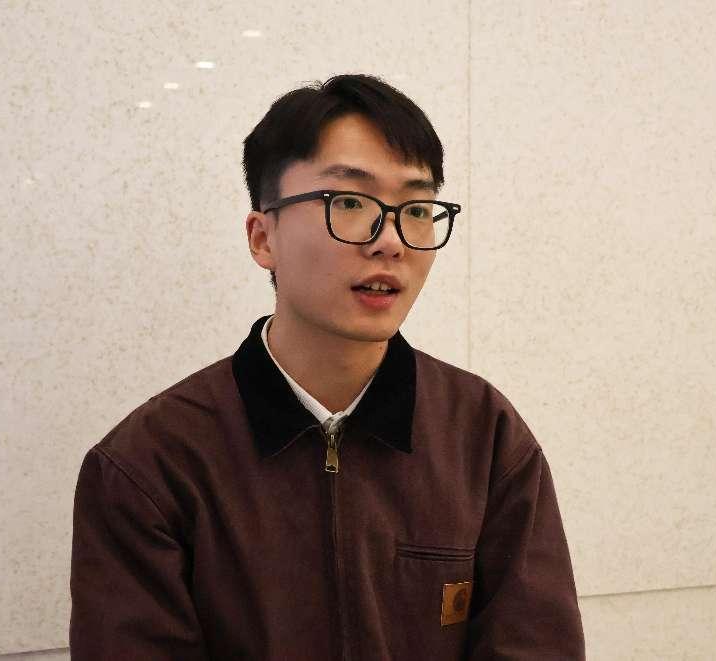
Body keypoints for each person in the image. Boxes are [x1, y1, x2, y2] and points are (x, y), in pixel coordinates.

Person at [69, 73, 585, 660]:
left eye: (417, 208)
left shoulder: (483, 435)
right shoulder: (149, 464)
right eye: (350, 203)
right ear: (263, 238)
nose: (391, 241)